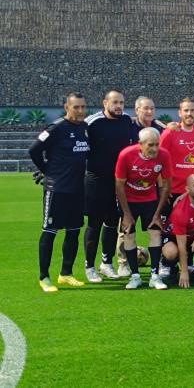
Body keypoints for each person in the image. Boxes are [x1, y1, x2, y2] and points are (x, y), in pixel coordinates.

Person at [29, 92, 90, 292]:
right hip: (57, 189)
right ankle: (44, 277)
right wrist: (46, 171)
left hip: (77, 190)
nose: (80, 111)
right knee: (50, 231)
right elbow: (34, 150)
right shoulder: (56, 128)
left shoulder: (84, 128)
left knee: (73, 232)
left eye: (83, 107)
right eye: (76, 107)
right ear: (67, 107)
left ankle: (66, 274)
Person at [83, 90, 133, 281]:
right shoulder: (93, 122)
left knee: (112, 223)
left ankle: (106, 263)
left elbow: (146, 124)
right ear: (105, 103)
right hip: (96, 180)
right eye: (115, 102)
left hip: (118, 182)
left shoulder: (127, 120)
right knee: (94, 224)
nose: (119, 106)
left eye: (121, 102)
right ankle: (89, 267)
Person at [114, 127, 173, 289]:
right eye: (150, 145)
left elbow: (167, 186)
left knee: (155, 233)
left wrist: (157, 214)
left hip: (150, 199)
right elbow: (119, 186)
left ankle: (155, 276)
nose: (154, 149)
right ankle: (135, 276)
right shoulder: (126, 155)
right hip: (129, 200)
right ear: (140, 144)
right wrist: (126, 214)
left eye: (157, 145)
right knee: (129, 235)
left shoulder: (164, 155)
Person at [159, 98, 194, 216]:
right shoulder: (170, 132)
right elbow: (158, 160)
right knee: (166, 230)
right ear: (180, 113)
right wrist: (162, 187)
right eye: (186, 110)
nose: (189, 114)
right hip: (171, 191)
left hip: (190, 191)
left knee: (188, 229)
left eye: (192, 110)